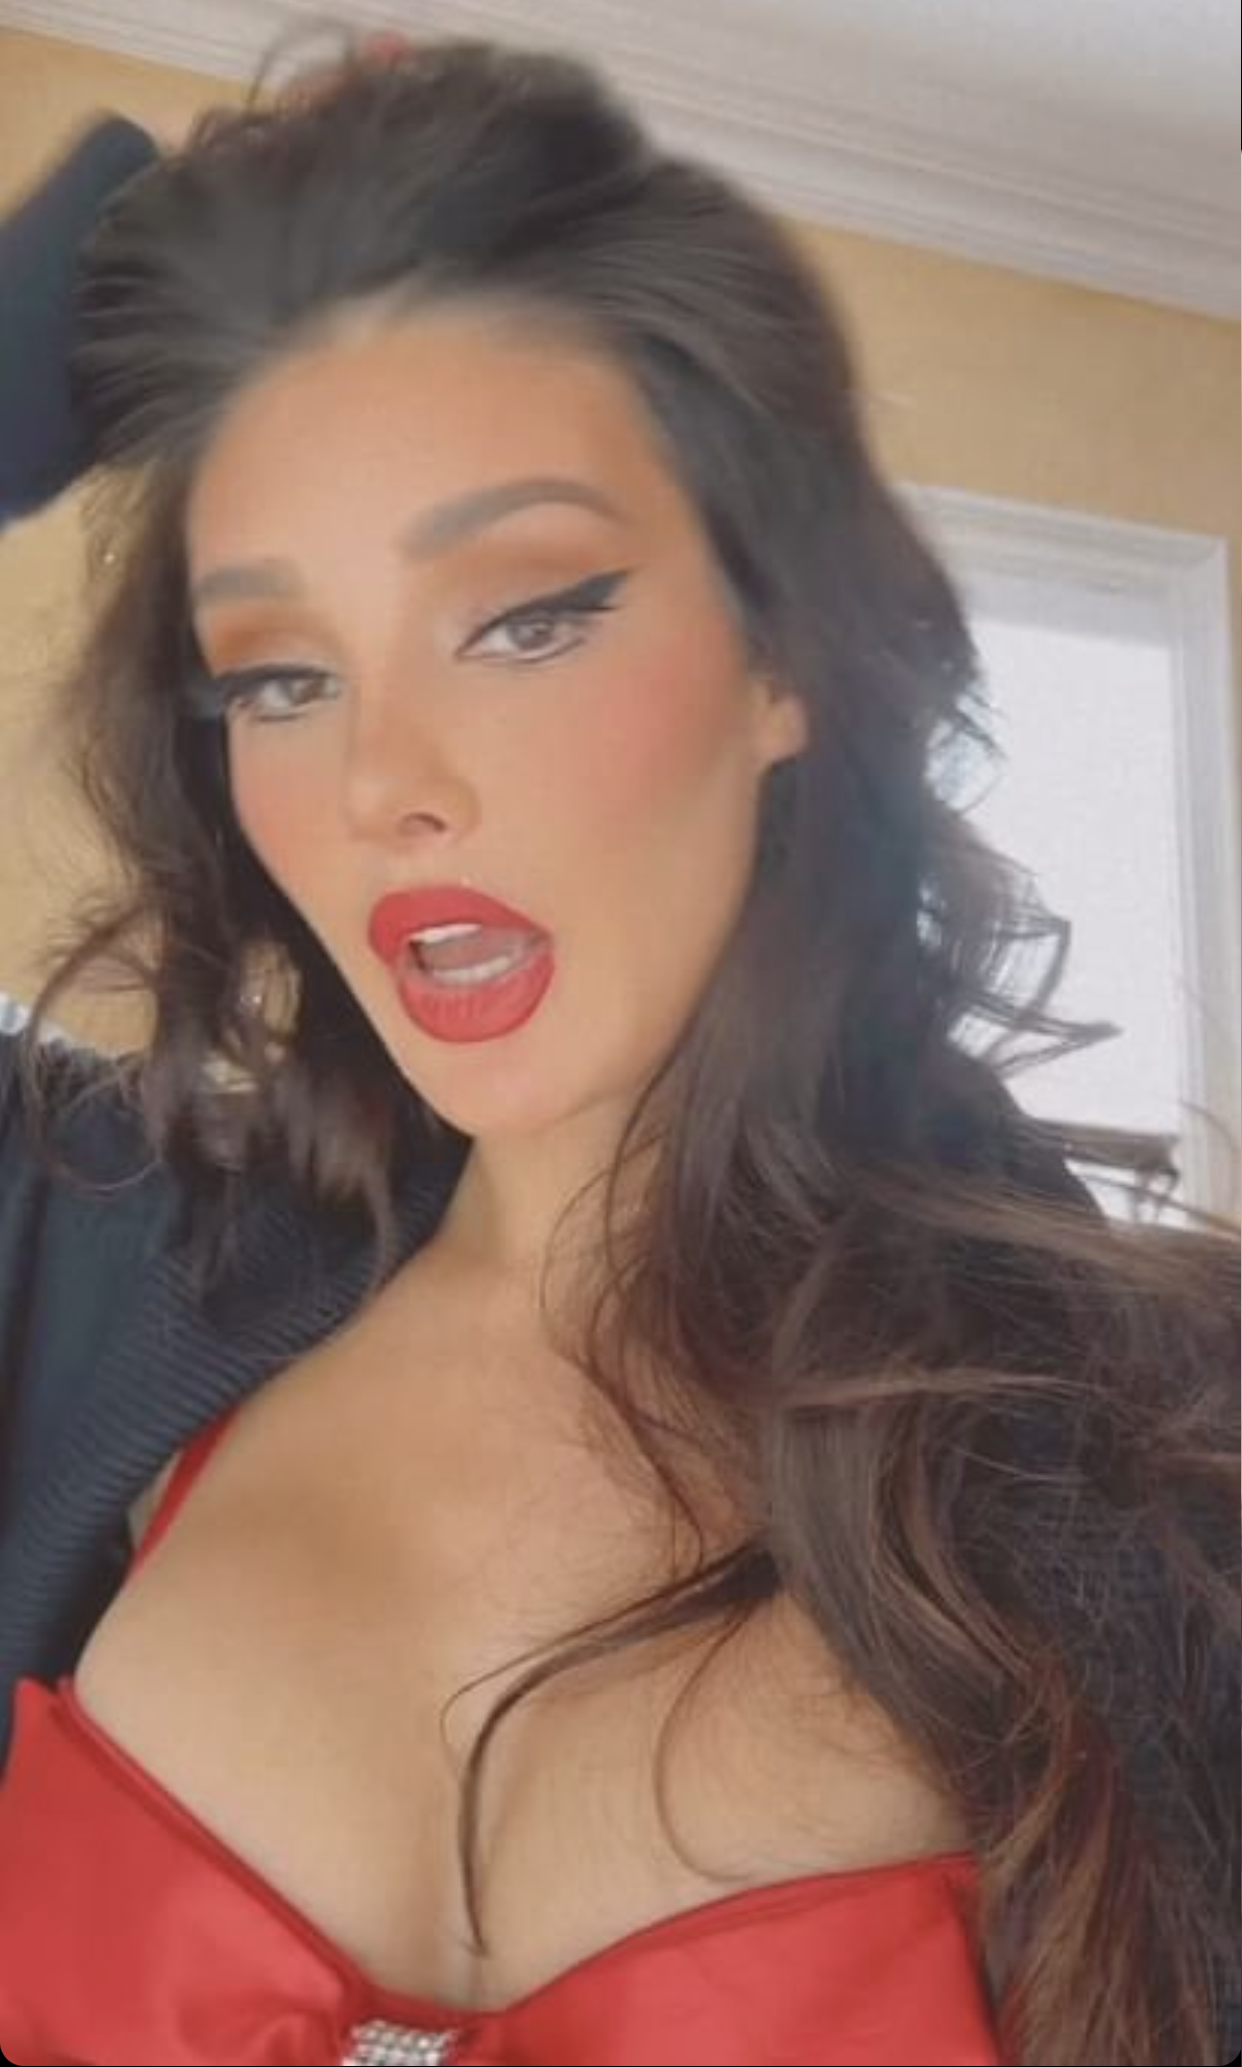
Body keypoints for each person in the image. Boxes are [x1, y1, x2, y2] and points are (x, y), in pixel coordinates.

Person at [0, 33, 1236, 2067]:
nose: (383, 782)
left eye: (525, 616)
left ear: (780, 654)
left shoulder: (1170, 1449)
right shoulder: (84, 1261)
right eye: (280, 673)